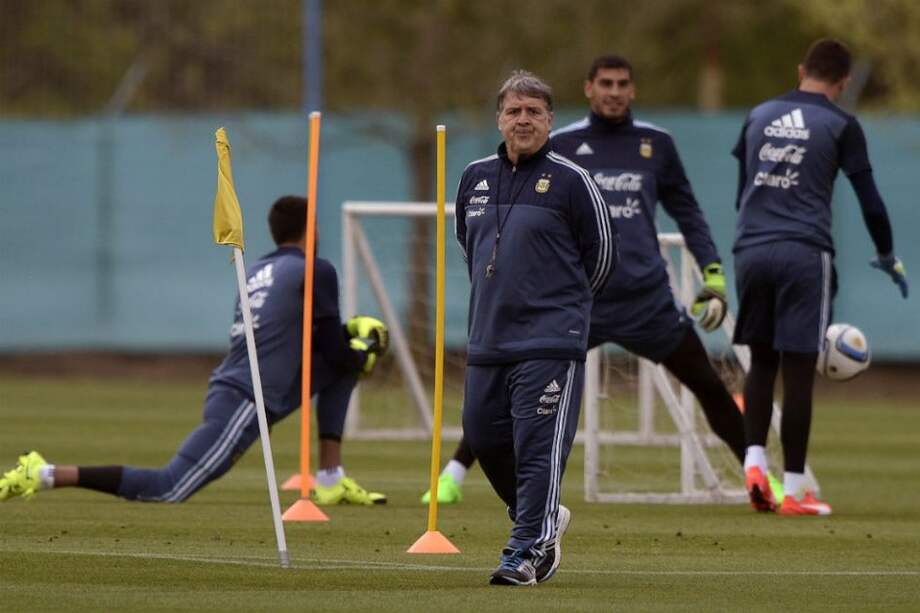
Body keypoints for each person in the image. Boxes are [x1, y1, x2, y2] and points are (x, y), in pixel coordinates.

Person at [426, 54, 766, 508]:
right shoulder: (559, 144)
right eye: (605, 83)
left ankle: (757, 476)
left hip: (645, 299)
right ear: (588, 88)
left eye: (622, 83)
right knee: (505, 392)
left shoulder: (656, 143)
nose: (614, 91)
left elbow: (688, 212)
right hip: (578, 306)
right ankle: (453, 473)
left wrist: (714, 274)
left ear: (633, 90)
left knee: (706, 382)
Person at [0, 196, 390, 506]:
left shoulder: (255, 270)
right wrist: (363, 349)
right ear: (313, 229)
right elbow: (334, 349)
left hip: (254, 384)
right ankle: (47, 473)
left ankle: (330, 479)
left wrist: (350, 346)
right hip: (248, 398)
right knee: (168, 487)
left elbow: (314, 346)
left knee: (345, 367)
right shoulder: (316, 269)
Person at [732, 39, 908, 516]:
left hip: (750, 248)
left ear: (800, 69)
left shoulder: (759, 114)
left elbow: (744, 186)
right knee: (798, 370)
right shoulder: (840, 123)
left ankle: (752, 464)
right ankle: (792, 490)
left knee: (762, 362)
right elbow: (869, 197)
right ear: (844, 82)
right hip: (803, 251)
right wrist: (887, 253)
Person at [455, 70, 616, 586]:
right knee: (481, 436)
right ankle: (542, 517)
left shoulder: (573, 181)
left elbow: (602, 260)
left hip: (551, 339)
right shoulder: (474, 177)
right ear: (499, 118)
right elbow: (470, 245)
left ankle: (528, 550)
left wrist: (558, 308)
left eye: (534, 112)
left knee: (537, 446)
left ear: (550, 119)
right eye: (513, 111)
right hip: (488, 338)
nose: (523, 119)